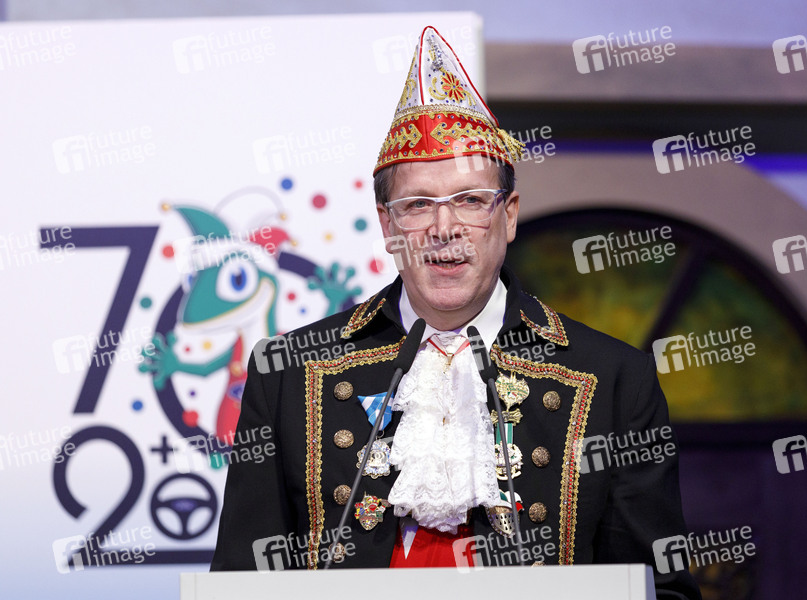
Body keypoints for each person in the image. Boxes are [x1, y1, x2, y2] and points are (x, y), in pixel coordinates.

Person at [211, 25, 700, 599]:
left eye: (469, 200)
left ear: (508, 215)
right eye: (418, 204)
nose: (444, 229)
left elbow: (657, 589)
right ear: (388, 224)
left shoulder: (613, 378)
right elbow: (241, 585)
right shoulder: (288, 372)